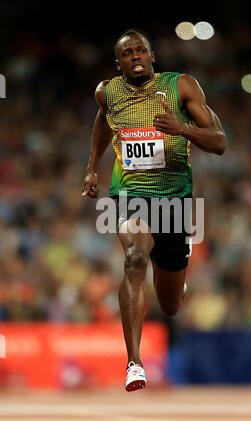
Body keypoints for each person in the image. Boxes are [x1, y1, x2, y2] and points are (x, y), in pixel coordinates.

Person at [82, 29, 227, 391]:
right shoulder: (107, 91)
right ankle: (134, 362)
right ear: (118, 63)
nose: (135, 57)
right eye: (127, 53)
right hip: (129, 193)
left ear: (152, 55)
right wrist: (91, 167)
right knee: (133, 259)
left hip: (175, 198)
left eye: (140, 51)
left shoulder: (181, 86)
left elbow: (220, 142)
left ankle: (181, 251)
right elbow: (103, 120)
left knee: (171, 305)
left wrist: (182, 128)